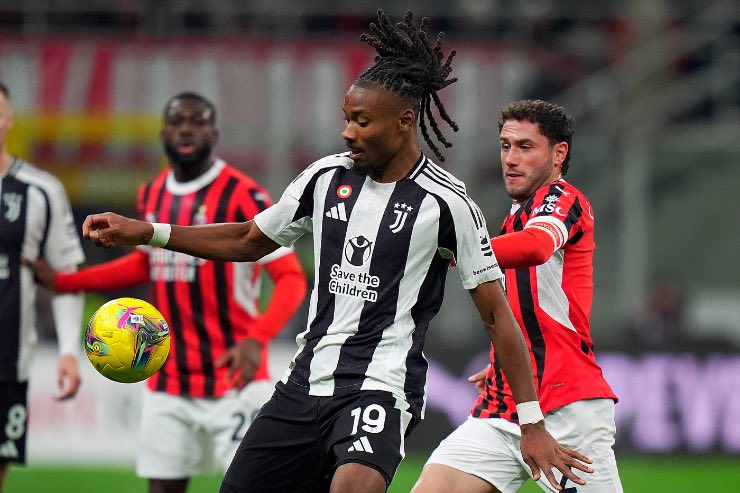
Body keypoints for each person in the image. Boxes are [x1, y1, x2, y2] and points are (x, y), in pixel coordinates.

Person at [78, 12, 592, 493]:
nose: (348, 131)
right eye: (347, 118)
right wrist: (147, 231)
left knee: (353, 485)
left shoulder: (448, 204)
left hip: (381, 388)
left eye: (363, 121)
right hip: (305, 381)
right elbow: (249, 240)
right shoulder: (326, 178)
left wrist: (531, 423)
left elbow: (496, 317)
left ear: (404, 121)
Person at [29, 92, 308, 493]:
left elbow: (291, 278)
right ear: (163, 133)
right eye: (177, 122)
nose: (186, 129)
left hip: (235, 379)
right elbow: (148, 263)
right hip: (169, 379)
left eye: (197, 121)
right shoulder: (153, 192)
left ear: (214, 132)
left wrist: (257, 339)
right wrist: (66, 282)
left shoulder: (243, 194)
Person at [413, 100, 623, 493]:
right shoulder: (514, 216)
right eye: (505, 145)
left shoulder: (564, 200)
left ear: (559, 153)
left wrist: (449, 247)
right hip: (505, 403)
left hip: (565, 407)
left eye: (525, 147)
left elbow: (536, 247)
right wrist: (503, 363)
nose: (510, 158)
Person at [0, 82, 84, 489]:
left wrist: (69, 351)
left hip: (7, 357)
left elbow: (68, 272)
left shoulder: (41, 190)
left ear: (9, 120)